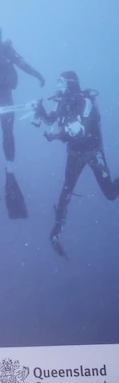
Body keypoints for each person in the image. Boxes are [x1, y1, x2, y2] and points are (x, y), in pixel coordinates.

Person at [34, 71, 118, 257]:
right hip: (74, 153)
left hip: (92, 153)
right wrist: (40, 113)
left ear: (70, 83)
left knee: (111, 194)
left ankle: (57, 229)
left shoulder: (85, 101)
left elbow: (80, 130)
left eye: (61, 82)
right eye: (58, 82)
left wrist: (56, 135)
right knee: (66, 189)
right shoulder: (63, 102)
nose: (58, 86)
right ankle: (56, 230)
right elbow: (51, 119)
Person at [0, 23, 45, 219]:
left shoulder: (1, 49)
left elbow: (22, 65)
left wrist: (37, 74)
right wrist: (37, 74)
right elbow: (21, 65)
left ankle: (1, 165)